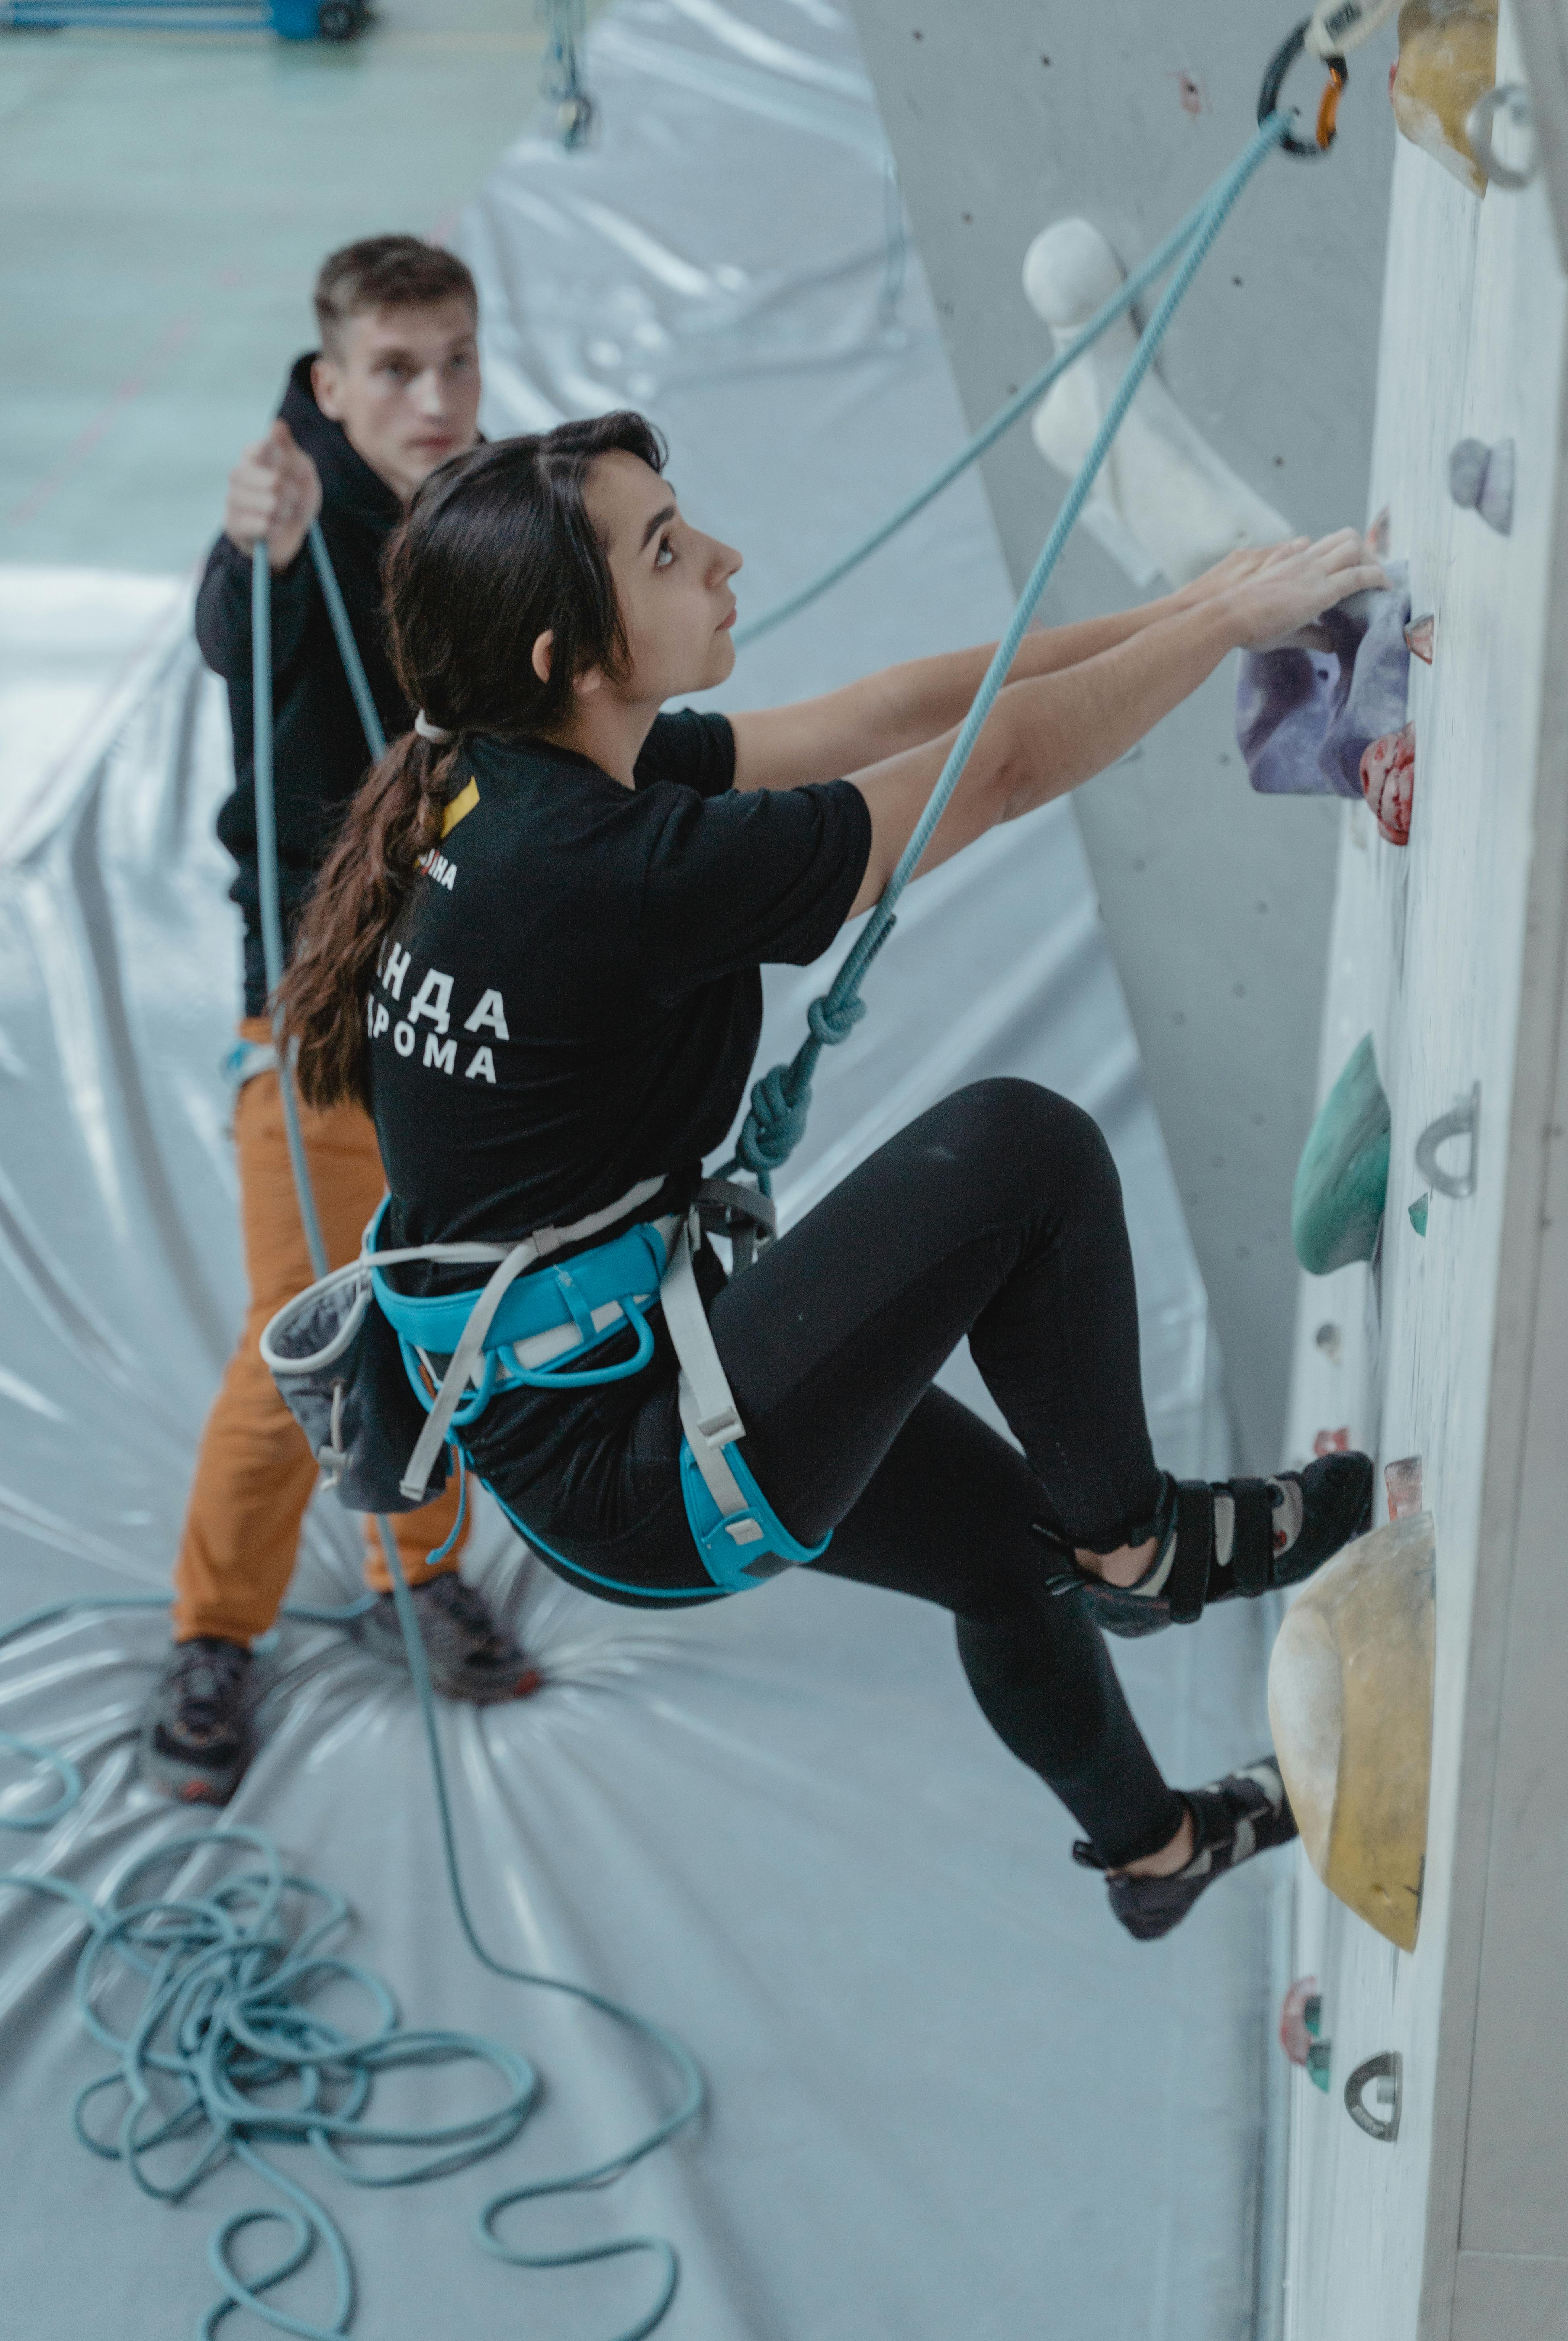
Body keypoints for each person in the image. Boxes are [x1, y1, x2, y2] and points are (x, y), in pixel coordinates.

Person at [280, 417, 1386, 1940]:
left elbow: (892, 713)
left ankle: (1156, 1853)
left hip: (592, 1404)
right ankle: (1143, 1540)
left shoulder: (495, 779)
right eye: (667, 549)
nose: (723, 558)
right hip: (643, 1466)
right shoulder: (610, 871)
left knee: (1012, 1561)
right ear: (565, 653)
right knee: (1019, 1152)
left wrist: (1200, 604)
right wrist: (1220, 625)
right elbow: (986, 772)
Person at [140, 238, 539, 1811]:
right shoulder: (295, 509)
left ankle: (408, 1566)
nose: (433, 396)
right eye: (394, 368)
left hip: (464, 992)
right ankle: (216, 1632)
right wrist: (255, 553)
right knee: (294, 1339)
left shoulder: (495, 509)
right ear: (328, 384)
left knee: (432, 1313)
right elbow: (243, 633)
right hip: (315, 1010)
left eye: (455, 359)